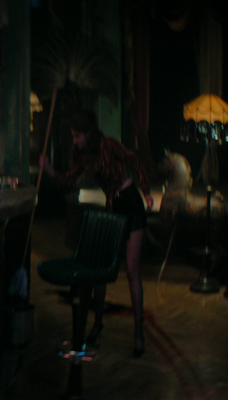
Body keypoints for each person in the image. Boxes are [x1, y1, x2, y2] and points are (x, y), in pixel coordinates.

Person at [39, 110, 154, 358]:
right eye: (73, 136)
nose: (74, 140)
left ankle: (138, 333)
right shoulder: (84, 156)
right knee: (101, 268)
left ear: (88, 134)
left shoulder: (107, 144)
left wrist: (146, 190)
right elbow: (67, 181)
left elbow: (133, 159)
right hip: (113, 207)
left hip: (131, 203)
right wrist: (48, 169)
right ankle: (97, 323)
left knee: (132, 271)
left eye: (77, 136)